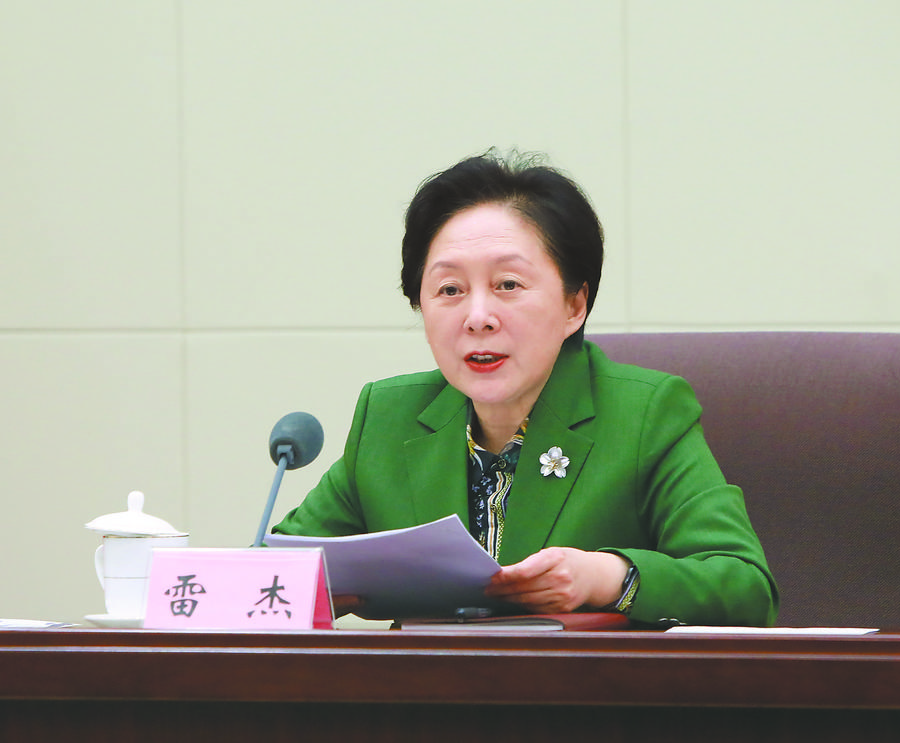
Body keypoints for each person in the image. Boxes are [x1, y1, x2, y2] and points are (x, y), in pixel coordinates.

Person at [273, 150, 779, 626]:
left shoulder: (646, 413)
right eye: (450, 290)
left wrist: (607, 578)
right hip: (422, 689)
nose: (477, 317)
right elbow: (271, 578)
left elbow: (746, 588)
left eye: (508, 285)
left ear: (574, 305)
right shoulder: (388, 417)